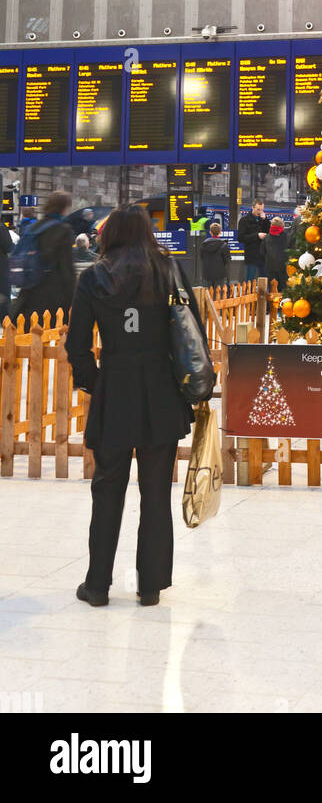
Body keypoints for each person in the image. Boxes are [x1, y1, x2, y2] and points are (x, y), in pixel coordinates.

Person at [64, 205, 202, 607]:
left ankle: (97, 586)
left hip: (116, 388)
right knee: (156, 492)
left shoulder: (94, 276)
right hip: (161, 389)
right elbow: (190, 327)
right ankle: (151, 586)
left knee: (107, 489)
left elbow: (77, 344)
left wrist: (95, 381)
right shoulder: (167, 270)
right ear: (146, 232)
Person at [10, 191, 75, 326]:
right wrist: (73, 299)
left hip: (28, 293)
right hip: (53, 295)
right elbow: (67, 270)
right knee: (51, 338)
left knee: (26, 336)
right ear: (64, 208)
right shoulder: (63, 230)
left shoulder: (33, 227)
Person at [238, 199, 269, 283]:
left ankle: (264, 295)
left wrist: (266, 220)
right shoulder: (244, 221)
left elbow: (269, 232)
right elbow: (240, 238)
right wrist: (257, 235)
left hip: (263, 255)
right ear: (252, 207)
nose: (260, 212)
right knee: (250, 280)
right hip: (251, 255)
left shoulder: (263, 220)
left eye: (262, 209)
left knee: (264, 280)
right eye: (258, 209)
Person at [201, 221, 231, 289]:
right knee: (218, 294)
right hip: (220, 274)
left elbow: (202, 257)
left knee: (208, 294)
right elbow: (227, 260)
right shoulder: (223, 245)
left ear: (210, 232)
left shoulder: (204, 245)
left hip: (207, 274)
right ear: (220, 232)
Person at [263, 217, 290, 291]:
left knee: (272, 288)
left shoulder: (267, 237)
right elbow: (291, 250)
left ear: (271, 225)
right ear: (282, 225)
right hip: (284, 267)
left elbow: (262, 251)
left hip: (270, 267)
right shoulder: (287, 236)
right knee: (284, 288)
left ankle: (271, 302)